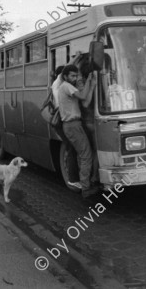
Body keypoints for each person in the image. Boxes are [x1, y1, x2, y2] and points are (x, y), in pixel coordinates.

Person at [58, 65, 98, 198]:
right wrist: (88, 82)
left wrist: (91, 86)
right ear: (65, 77)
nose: (75, 78)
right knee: (86, 155)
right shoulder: (66, 86)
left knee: (84, 154)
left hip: (74, 125)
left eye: (76, 75)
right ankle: (85, 188)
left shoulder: (67, 86)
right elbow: (82, 95)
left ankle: (86, 183)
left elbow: (85, 101)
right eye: (72, 76)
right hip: (72, 125)